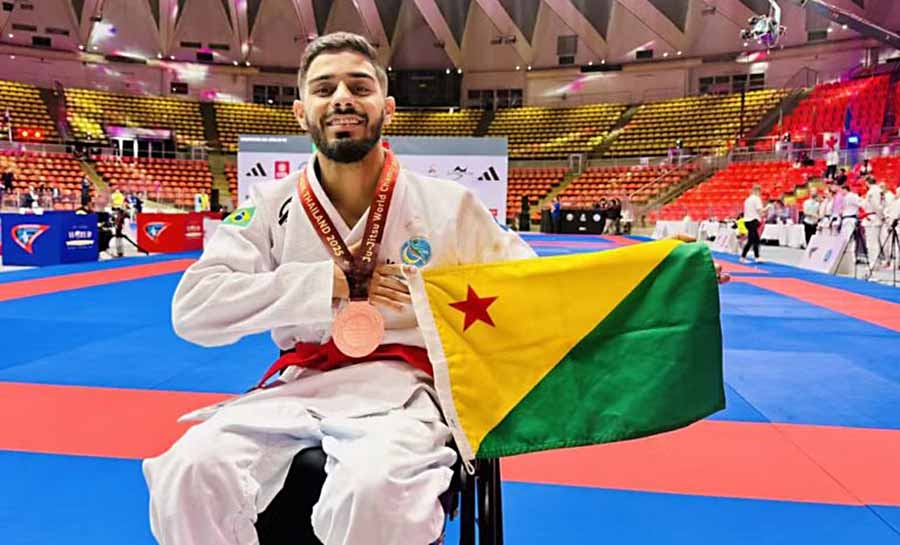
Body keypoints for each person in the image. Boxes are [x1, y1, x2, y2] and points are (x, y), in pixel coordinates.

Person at [142, 32, 539, 545]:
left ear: (387, 108)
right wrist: (321, 283)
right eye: (324, 88)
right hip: (301, 386)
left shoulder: (448, 205)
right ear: (300, 111)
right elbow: (193, 311)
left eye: (359, 86)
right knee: (188, 471)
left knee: (376, 489)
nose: (342, 98)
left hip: (405, 394)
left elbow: (528, 290)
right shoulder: (270, 207)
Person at [740, 185, 764, 263]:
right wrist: (767, 208)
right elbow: (760, 211)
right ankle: (743, 257)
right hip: (753, 221)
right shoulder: (756, 199)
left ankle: (757, 257)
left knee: (756, 239)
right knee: (751, 240)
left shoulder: (747, 200)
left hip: (747, 221)